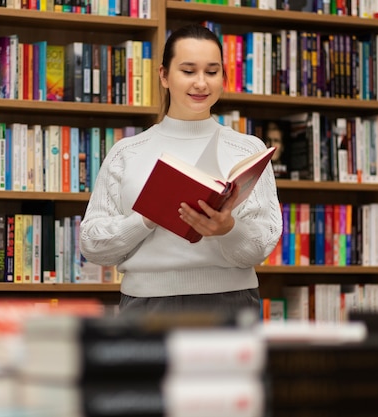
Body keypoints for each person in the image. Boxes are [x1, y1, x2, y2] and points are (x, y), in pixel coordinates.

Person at [79, 24, 282, 317]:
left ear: (223, 78)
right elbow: (93, 246)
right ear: (164, 75)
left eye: (211, 72)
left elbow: (262, 245)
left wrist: (228, 230)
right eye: (188, 71)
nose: (201, 83)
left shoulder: (247, 149)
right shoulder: (128, 151)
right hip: (147, 305)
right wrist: (147, 218)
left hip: (231, 304)